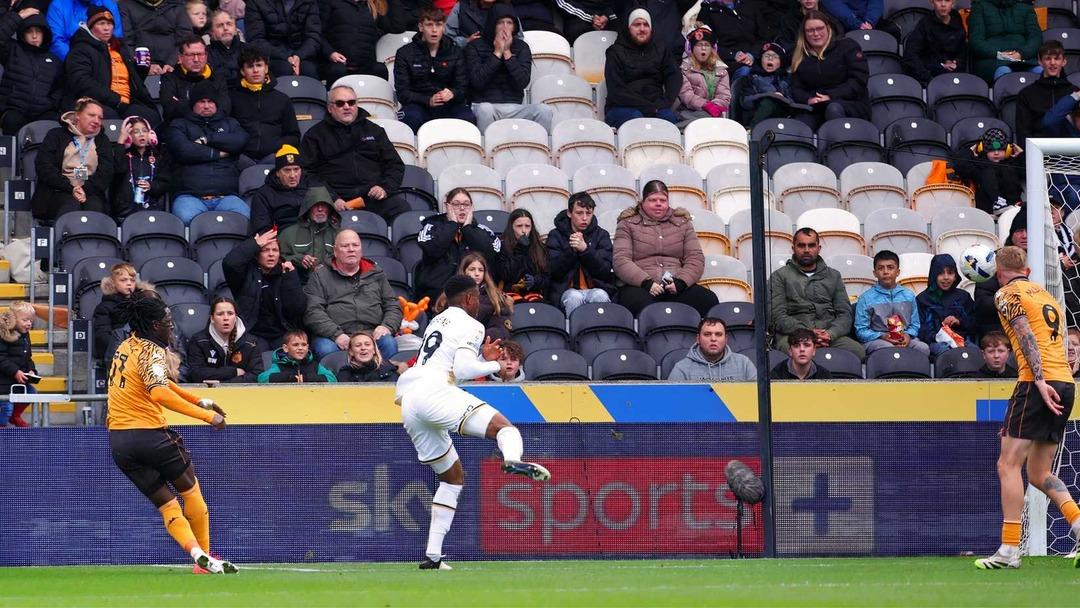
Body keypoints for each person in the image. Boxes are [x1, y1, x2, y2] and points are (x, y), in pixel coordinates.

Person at [394, 274, 550, 571]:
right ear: (468, 299)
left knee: (452, 479)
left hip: (411, 401)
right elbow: (463, 369)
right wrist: (496, 364)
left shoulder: (438, 320)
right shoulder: (472, 324)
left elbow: (453, 359)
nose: (480, 301)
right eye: (477, 296)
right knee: (506, 429)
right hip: (436, 391)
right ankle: (513, 460)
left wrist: (482, 356)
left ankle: (433, 556)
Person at [105, 295, 238, 574]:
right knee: (192, 493)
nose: (171, 327)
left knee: (167, 506)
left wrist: (198, 400)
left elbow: (160, 382)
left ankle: (195, 552)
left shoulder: (126, 346)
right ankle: (204, 560)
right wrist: (206, 416)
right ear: (154, 325)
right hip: (150, 435)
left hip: (119, 441)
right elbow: (159, 392)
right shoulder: (152, 351)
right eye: (167, 322)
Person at [974, 245, 1080, 569]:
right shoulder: (1047, 297)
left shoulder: (1007, 294)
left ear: (998, 273)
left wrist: (1037, 381)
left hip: (1038, 383)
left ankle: (1009, 549)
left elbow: (1025, 337)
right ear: (1028, 270)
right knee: (1038, 473)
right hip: (1065, 381)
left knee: (1007, 464)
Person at [300, 84, 410, 220]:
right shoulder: (314, 135)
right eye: (340, 103)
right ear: (330, 108)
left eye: (351, 102)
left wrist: (384, 188)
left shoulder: (374, 131)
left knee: (402, 210)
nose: (347, 107)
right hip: (335, 200)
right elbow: (307, 173)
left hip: (372, 198)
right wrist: (331, 198)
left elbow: (395, 165)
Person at [612, 180, 718, 317]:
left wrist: (681, 283)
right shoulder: (627, 223)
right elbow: (621, 260)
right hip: (640, 286)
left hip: (675, 285)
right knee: (641, 306)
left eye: (663, 200)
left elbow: (695, 258)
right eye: (652, 200)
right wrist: (646, 282)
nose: (658, 204)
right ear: (643, 201)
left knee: (708, 300)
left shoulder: (682, 222)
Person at [304, 229, 403, 360]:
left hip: (371, 334)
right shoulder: (320, 275)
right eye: (345, 246)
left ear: (361, 249)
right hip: (334, 336)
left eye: (355, 245)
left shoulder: (376, 273)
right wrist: (336, 334)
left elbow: (393, 306)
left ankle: (382, 378)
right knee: (325, 348)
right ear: (335, 251)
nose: (351, 249)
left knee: (388, 343)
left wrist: (386, 327)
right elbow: (312, 311)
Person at [769, 227, 865, 358]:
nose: (807, 250)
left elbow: (845, 314)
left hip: (828, 336)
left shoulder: (833, 276)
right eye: (802, 246)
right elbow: (777, 316)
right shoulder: (779, 276)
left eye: (811, 245)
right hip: (793, 335)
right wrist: (808, 333)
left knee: (857, 352)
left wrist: (830, 334)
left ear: (818, 248)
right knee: (796, 353)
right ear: (793, 248)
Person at [165, 79, 250, 226]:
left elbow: (240, 141)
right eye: (201, 101)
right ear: (193, 105)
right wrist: (219, 153)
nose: (206, 106)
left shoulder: (230, 123)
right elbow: (183, 150)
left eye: (210, 102)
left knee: (243, 218)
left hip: (227, 196)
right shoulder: (179, 125)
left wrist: (207, 139)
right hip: (190, 197)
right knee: (187, 219)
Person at [463, 3, 554, 132]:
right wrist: (497, 53)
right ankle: (488, 150)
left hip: (515, 106)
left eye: (509, 23)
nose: (505, 28)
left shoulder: (522, 47)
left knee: (543, 111)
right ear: (492, 24)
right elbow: (477, 82)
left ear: (514, 26)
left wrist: (507, 53)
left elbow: (522, 82)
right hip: (485, 106)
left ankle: (535, 150)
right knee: (485, 109)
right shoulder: (474, 46)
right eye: (500, 23)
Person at [63, 7, 159, 125]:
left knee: (152, 117)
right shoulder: (80, 50)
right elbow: (81, 81)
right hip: (97, 102)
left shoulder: (119, 48)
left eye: (109, 24)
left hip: (125, 102)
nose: (106, 28)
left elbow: (131, 83)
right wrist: (115, 99)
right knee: (111, 121)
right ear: (91, 26)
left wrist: (142, 70)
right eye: (101, 23)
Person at [30, 97, 116, 223]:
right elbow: (44, 167)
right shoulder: (56, 135)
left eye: (100, 117)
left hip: (91, 191)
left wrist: (84, 189)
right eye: (91, 115)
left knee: (95, 210)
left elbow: (106, 172)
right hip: (58, 189)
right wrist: (71, 187)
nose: (96, 121)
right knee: (70, 208)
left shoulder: (102, 140)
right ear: (77, 116)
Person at [414, 187, 502, 304]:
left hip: (473, 292)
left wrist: (468, 229)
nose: (462, 208)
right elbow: (432, 250)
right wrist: (452, 225)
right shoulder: (431, 226)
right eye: (456, 204)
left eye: (466, 204)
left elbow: (490, 253)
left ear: (472, 208)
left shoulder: (481, 230)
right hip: (437, 292)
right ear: (447, 206)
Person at [394, 7, 476, 132]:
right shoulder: (404, 53)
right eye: (429, 25)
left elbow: (463, 87)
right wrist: (427, 100)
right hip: (418, 105)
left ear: (444, 27)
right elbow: (402, 92)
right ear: (421, 27)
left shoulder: (455, 52)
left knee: (467, 117)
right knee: (411, 117)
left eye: (438, 25)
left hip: (449, 104)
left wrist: (452, 93)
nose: (434, 30)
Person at [222, 229, 307, 348]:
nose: (271, 254)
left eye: (275, 250)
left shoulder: (286, 273)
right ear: (257, 255)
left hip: (282, 334)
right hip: (252, 332)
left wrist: (290, 279)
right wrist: (254, 244)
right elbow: (230, 263)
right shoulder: (246, 274)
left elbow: (297, 309)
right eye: (265, 250)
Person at [789, 10, 870, 129]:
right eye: (810, 30)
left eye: (820, 28)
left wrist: (830, 96)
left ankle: (841, 146)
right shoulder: (799, 56)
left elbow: (858, 80)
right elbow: (796, 88)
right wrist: (809, 99)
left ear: (828, 28)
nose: (816, 34)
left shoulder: (847, 46)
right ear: (804, 33)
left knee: (833, 108)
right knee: (800, 124)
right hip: (816, 108)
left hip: (849, 103)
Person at [602, 8, 680, 128]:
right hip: (622, 107)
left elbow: (674, 76)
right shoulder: (615, 52)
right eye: (637, 25)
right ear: (629, 28)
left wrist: (666, 102)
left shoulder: (661, 49)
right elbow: (616, 90)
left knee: (668, 118)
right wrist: (647, 107)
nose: (642, 29)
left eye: (646, 25)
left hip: (655, 105)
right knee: (636, 118)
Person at [545, 191, 615, 316]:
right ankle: (574, 334)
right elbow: (553, 271)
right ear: (569, 213)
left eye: (588, 213)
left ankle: (600, 333)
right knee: (574, 297)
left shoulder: (601, 235)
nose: (584, 218)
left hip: (596, 288)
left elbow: (604, 271)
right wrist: (571, 251)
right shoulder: (555, 235)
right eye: (579, 213)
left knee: (600, 295)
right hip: (565, 290)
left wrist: (585, 250)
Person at [228, 45, 300, 167]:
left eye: (259, 65)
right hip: (240, 160)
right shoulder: (232, 98)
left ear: (266, 68)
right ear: (242, 71)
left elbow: (293, 136)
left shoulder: (282, 99)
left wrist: (276, 147)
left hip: (274, 158)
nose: (255, 70)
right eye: (250, 66)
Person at [854, 250, 930, 356]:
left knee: (923, 348)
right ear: (875, 273)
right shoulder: (866, 298)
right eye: (880, 268)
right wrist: (882, 336)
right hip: (877, 340)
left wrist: (907, 335)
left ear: (898, 272)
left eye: (890, 267)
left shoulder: (908, 295)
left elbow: (915, 324)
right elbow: (861, 331)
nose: (885, 272)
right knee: (889, 349)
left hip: (903, 337)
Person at [0, 11, 63, 136]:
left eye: (38, 31)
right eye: (30, 31)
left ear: (44, 34)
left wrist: (50, 103)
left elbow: (60, 88)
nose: (34, 36)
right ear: (22, 34)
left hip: (42, 112)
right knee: (12, 121)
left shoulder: (54, 61)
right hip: (13, 110)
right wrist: (19, 17)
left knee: (52, 123)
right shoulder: (12, 50)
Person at [186, 297, 266, 383]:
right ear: (212, 318)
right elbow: (196, 374)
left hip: (240, 392)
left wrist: (224, 384)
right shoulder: (199, 340)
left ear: (235, 317)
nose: (226, 318)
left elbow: (256, 375)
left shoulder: (251, 343)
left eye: (230, 313)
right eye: (220, 314)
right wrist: (233, 372)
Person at [975, 207, 1026, 340]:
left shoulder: (1046, 261)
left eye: (1028, 231)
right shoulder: (993, 260)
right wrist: (1015, 301)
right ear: (1011, 234)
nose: (1024, 235)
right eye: (1020, 231)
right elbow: (983, 303)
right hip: (998, 329)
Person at [436, 252, 513, 340]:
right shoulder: (450, 295)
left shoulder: (495, 297)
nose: (477, 274)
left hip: (482, 345)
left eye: (481, 270)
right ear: (464, 271)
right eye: (472, 269)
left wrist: (476, 336)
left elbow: (501, 329)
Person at [319, 0, 401, 82]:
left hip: (365, 64)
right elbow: (318, 33)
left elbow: (396, 27)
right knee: (337, 70)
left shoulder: (373, 7)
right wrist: (330, 53)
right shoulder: (332, 3)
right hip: (336, 63)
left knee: (380, 69)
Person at [952, 127, 1024, 217]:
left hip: (1014, 209)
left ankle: (1013, 204)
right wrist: (970, 151)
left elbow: (1031, 172)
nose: (996, 153)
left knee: (1008, 170)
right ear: (983, 149)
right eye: (991, 150)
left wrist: (1021, 155)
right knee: (988, 172)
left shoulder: (1013, 164)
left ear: (1008, 149)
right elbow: (960, 166)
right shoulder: (978, 166)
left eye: (1000, 149)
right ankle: (997, 203)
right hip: (986, 210)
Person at [112, 115, 172, 218]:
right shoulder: (122, 155)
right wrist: (121, 141)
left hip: (153, 208)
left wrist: (151, 186)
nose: (141, 134)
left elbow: (166, 182)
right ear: (129, 136)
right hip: (126, 211)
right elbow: (118, 169)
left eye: (144, 131)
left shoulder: (158, 156)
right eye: (136, 132)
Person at [916, 253, 975, 358]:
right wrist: (940, 334)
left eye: (950, 273)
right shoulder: (923, 299)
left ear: (955, 275)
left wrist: (958, 321)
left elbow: (974, 323)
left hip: (962, 341)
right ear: (934, 275)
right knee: (945, 351)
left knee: (974, 351)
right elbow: (921, 329)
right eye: (941, 273)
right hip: (936, 343)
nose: (946, 277)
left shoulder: (963, 296)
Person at [967, 0, 1041, 83]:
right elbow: (975, 41)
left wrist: (1021, 54)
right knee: (1004, 72)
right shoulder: (979, 7)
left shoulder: (1025, 7)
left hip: (1024, 59)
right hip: (992, 60)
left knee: (1040, 71)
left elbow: (1036, 38)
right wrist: (999, 54)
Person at [92, 262, 155, 359]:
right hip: (119, 356)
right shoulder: (104, 307)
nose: (129, 283)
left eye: (132, 280)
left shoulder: (144, 302)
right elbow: (103, 337)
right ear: (113, 283)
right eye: (123, 280)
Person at [1015, 41, 1073, 146]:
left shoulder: (1074, 93)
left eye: (1057, 58)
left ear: (1064, 61)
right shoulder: (1026, 94)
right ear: (1040, 61)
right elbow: (1023, 134)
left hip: (1071, 153)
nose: (1052, 63)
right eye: (1048, 58)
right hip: (1038, 153)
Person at [160, 37, 230, 122]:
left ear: (206, 56)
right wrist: (206, 109)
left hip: (215, 126)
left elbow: (225, 108)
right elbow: (170, 110)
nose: (196, 60)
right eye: (190, 55)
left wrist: (184, 103)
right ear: (180, 58)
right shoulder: (169, 78)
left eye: (200, 54)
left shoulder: (217, 78)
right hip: (182, 128)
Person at [244, 0, 321, 78]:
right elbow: (256, 39)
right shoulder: (256, 2)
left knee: (308, 70)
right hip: (271, 56)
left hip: (302, 54)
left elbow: (313, 36)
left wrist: (298, 56)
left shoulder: (309, 2)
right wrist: (285, 56)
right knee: (284, 69)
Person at [278, 185, 341, 281]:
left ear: (329, 208)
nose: (320, 209)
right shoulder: (289, 234)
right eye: (315, 205)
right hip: (300, 284)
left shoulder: (340, 235)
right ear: (308, 208)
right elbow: (277, 259)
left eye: (324, 205)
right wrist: (299, 259)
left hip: (333, 285)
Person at [248, 144, 313, 235]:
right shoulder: (264, 194)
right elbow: (262, 230)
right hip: (283, 240)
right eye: (287, 170)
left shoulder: (311, 186)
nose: (292, 175)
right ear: (278, 173)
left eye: (296, 169)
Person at [667, 317, 756, 381]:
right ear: (698, 339)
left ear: (726, 339)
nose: (713, 339)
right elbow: (673, 401)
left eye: (718, 334)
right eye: (707, 334)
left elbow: (756, 396)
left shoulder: (744, 363)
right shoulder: (682, 368)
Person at [120, 0, 194, 76]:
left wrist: (172, 62)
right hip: (140, 68)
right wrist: (146, 66)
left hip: (173, 67)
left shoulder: (177, 6)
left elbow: (185, 38)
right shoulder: (126, 5)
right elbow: (127, 40)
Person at [696, 0, 764, 81]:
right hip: (727, 61)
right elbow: (708, 45)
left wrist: (751, 54)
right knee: (745, 73)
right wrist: (734, 55)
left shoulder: (750, 5)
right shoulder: (707, 10)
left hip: (757, 57)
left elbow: (764, 37)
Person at [901, 0, 966, 85]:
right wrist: (929, 76)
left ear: (953, 3)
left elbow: (963, 51)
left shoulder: (959, 21)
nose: (943, 4)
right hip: (930, 73)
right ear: (932, 2)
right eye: (939, 0)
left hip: (956, 74)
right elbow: (910, 53)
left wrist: (956, 63)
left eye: (947, 0)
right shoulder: (925, 23)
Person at [676, 26, 731, 123]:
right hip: (689, 113)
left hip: (714, 114)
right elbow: (686, 95)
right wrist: (706, 105)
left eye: (707, 45)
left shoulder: (722, 71)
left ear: (713, 48)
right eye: (698, 45)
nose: (703, 48)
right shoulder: (683, 69)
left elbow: (724, 96)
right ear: (690, 49)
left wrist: (715, 106)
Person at [497, 208, 548, 304]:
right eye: (519, 226)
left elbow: (547, 278)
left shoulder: (540, 248)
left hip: (534, 295)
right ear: (511, 227)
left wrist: (535, 281)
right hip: (508, 295)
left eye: (527, 226)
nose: (524, 230)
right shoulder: (502, 246)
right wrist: (520, 249)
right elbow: (503, 275)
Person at [741, 42, 796, 127]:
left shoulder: (787, 78)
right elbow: (746, 102)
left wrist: (782, 98)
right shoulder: (752, 77)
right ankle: (751, 132)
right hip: (757, 116)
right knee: (768, 102)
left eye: (775, 57)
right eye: (766, 56)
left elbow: (793, 100)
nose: (770, 59)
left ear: (781, 61)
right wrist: (769, 95)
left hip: (783, 117)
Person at [0, 302, 37, 427]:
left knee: (31, 393)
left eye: (31, 320)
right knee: (6, 407)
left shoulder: (25, 335)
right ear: (14, 319)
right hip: (3, 381)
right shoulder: (3, 333)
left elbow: (28, 358)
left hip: (19, 380)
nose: (29, 323)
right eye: (25, 320)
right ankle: (2, 427)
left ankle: (15, 416)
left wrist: (31, 370)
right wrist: (15, 371)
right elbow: (1, 358)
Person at [47, 0, 124, 60]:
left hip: (105, 63)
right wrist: (76, 61)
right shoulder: (59, 4)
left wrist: (101, 63)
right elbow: (56, 41)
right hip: (70, 62)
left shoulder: (108, 3)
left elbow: (116, 38)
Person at [256, 328, 337, 382]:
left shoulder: (314, 365)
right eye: (295, 345)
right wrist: (290, 378)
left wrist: (307, 378)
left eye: (304, 344)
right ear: (285, 348)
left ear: (308, 347)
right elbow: (262, 378)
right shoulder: (279, 365)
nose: (300, 348)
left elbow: (332, 379)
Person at [335, 330, 406, 382]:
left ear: (374, 350)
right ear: (351, 352)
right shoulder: (345, 374)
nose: (363, 348)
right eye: (358, 345)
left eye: (367, 344)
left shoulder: (388, 370)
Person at [207, 10, 244, 88]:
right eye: (220, 25)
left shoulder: (249, 50)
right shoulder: (205, 54)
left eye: (229, 24)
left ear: (235, 29)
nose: (225, 28)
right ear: (211, 32)